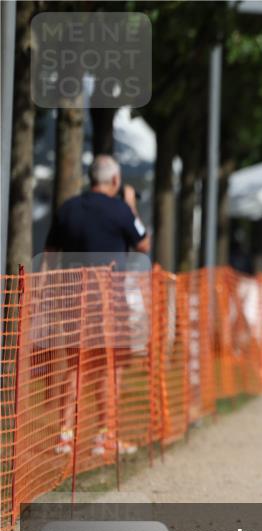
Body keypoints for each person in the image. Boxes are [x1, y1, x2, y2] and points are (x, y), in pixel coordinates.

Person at [45, 154, 150, 459]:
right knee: (109, 365)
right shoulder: (120, 209)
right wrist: (131, 204)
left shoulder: (68, 208)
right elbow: (143, 243)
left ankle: (64, 435)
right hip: (109, 299)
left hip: (74, 298)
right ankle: (105, 434)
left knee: (77, 363)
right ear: (115, 181)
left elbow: (50, 255)